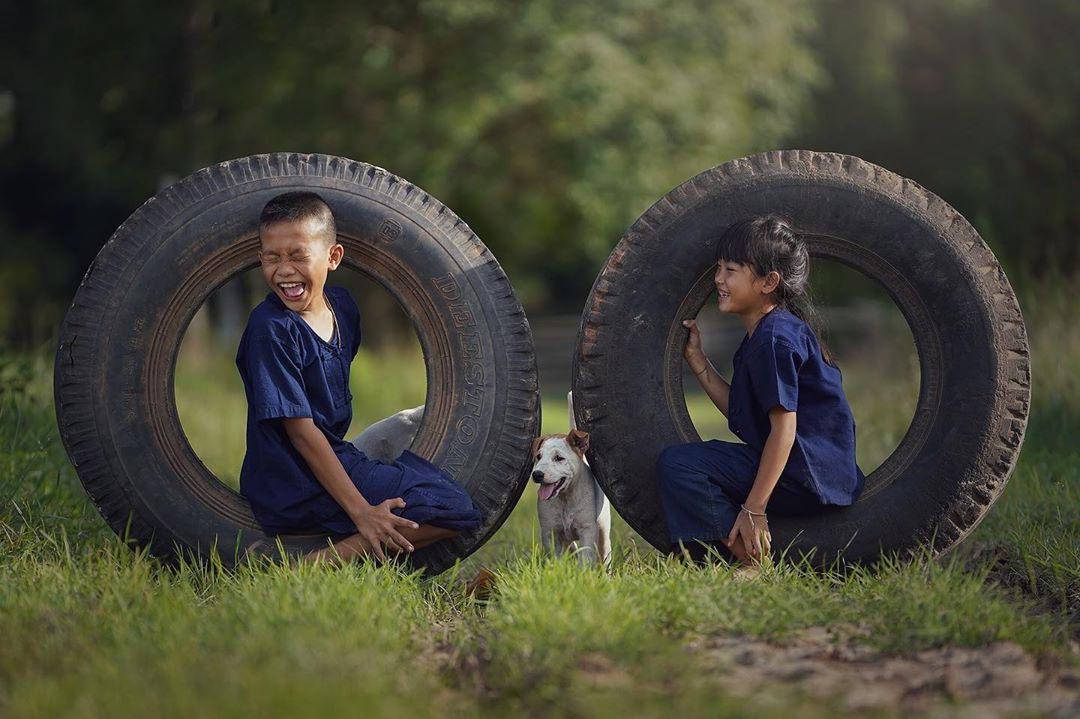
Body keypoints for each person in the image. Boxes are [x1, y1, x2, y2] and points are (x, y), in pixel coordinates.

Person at [236, 191, 482, 564]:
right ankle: (319, 563)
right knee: (452, 507)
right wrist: (362, 513)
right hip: (288, 480)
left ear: (333, 257)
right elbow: (301, 434)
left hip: (333, 456)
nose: (284, 270)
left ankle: (342, 548)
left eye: (298, 255)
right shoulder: (270, 329)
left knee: (452, 503)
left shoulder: (344, 308)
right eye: (272, 258)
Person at [655, 216, 864, 565]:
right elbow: (745, 412)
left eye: (731, 269)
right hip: (815, 473)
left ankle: (752, 561)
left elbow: (784, 429)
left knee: (679, 465)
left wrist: (754, 508)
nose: (718, 279)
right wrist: (698, 361)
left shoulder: (774, 339)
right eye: (718, 267)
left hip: (804, 475)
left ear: (769, 282)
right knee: (693, 461)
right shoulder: (771, 330)